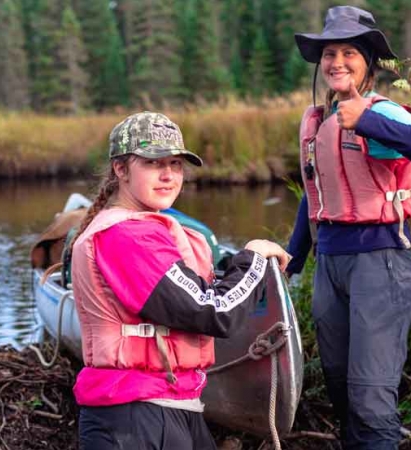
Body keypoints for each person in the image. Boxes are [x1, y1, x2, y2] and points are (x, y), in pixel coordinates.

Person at [67, 111, 291, 450]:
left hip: (171, 404)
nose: (169, 175)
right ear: (121, 169)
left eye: (176, 164)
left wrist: (232, 269)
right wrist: (254, 260)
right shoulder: (127, 236)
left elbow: (193, 293)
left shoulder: (137, 228)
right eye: (154, 164)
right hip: (133, 415)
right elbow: (212, 311)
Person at [286, 6, 411, 450]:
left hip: (380, 262)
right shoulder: (318, 121)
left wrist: (369, 120)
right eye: (329, 53)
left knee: (370, 397)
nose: (336, 62)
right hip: (330, 265)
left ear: (368, 62)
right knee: (340, 390)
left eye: (349, 53)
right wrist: (292, 259)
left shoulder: (381, 112)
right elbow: (315, 194)